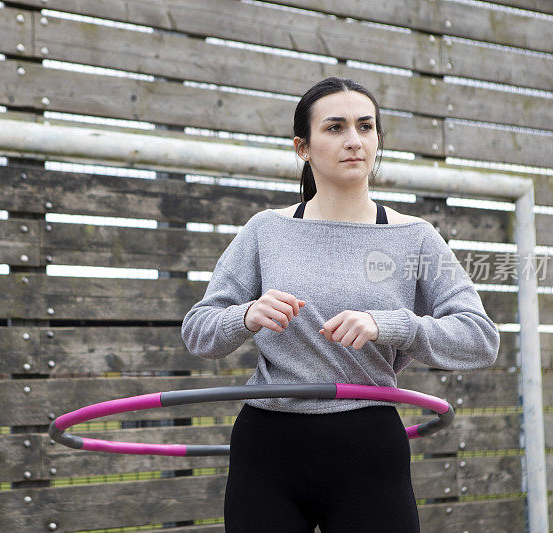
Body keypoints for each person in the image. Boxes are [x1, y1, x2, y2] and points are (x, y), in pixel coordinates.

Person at [180, 77, 500, 532]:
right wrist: (245, 316)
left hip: (367, 447)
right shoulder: (265, 231)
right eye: (335, 128)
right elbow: (197, 331)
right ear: (303, 147)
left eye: (365, 127)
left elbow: (480, 339)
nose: (354, 141)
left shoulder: (415, 237)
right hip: (268, 446)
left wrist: (390, 324)